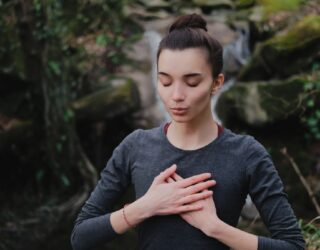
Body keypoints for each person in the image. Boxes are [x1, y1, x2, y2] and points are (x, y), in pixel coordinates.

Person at [71, 13, 305, 250]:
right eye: (165, 82)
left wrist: (215, 228)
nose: (176, 96)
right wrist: (145, 207)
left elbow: (294, 246)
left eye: (191, 83)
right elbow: (80, 236)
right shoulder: (136, 146)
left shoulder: (246, 153)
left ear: (217, 83)